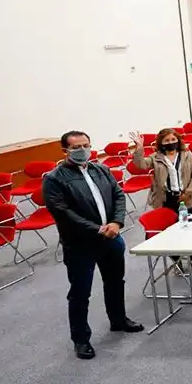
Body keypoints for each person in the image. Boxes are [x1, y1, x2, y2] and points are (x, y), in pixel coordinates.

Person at [44, 131, 143, 360]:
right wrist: (97, 229)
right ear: (65, 151)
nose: (83, 150)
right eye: (77, 147)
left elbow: (118, 195)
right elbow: (62, 212)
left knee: (115, 282)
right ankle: (81, 339)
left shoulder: (101, 169)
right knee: (80, 293)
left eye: (86, 145)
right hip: (80, 244)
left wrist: (117, 222)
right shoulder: (54, 178)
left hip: (111, 238)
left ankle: (118, 320)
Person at [129, 129, 192, 273]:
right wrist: (139, 148)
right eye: (167, 141)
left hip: (186, 197)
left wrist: (188, 192)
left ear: (178, 140)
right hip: (166, 199)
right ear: (161, 143)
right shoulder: (156, 158)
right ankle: (177, 260)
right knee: (170, 232)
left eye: (173, 139)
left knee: (189, 229)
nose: (171, 143)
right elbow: (140, 164)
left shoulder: (186, 155)